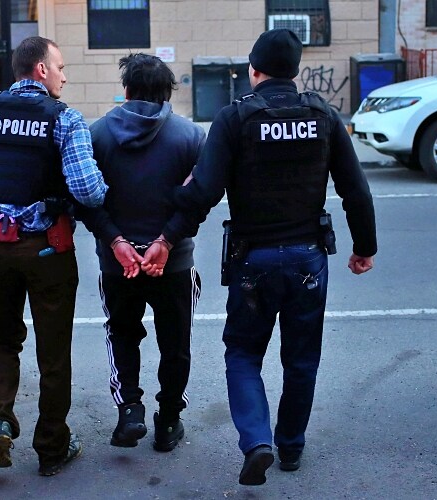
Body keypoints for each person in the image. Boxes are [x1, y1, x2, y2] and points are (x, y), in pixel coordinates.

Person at [160, 29, 377, 485]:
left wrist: (168, 228)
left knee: (243, 353)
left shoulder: (234, 118)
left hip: (252, 261)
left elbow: (203, 192)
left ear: (253, 71)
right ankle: (291, 447)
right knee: (302, 359)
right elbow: (355, 189)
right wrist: (364, 247)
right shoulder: (323, 115)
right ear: (295, 72)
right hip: (307, 260)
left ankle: (257, 441)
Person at [0, 36, 108, 476]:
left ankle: (0, 421)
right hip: (46, 251)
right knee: (53, 351)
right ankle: (51, 448)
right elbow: (88, 190)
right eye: (60, 67)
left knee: (3, 337)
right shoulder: (64, 119)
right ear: (41, 69)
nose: (64, 76)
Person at [80, 53, 205, 452]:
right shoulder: (190, 136)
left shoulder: (96, 135)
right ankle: (168, 421)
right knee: (176, 342)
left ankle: (130, 410)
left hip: (118, 264)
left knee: (121, 333)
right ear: (167, 92)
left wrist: (116, 241)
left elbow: (84, 200)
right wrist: (165, 241)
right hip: (173, 262)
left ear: (127, 90)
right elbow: (199, 200)